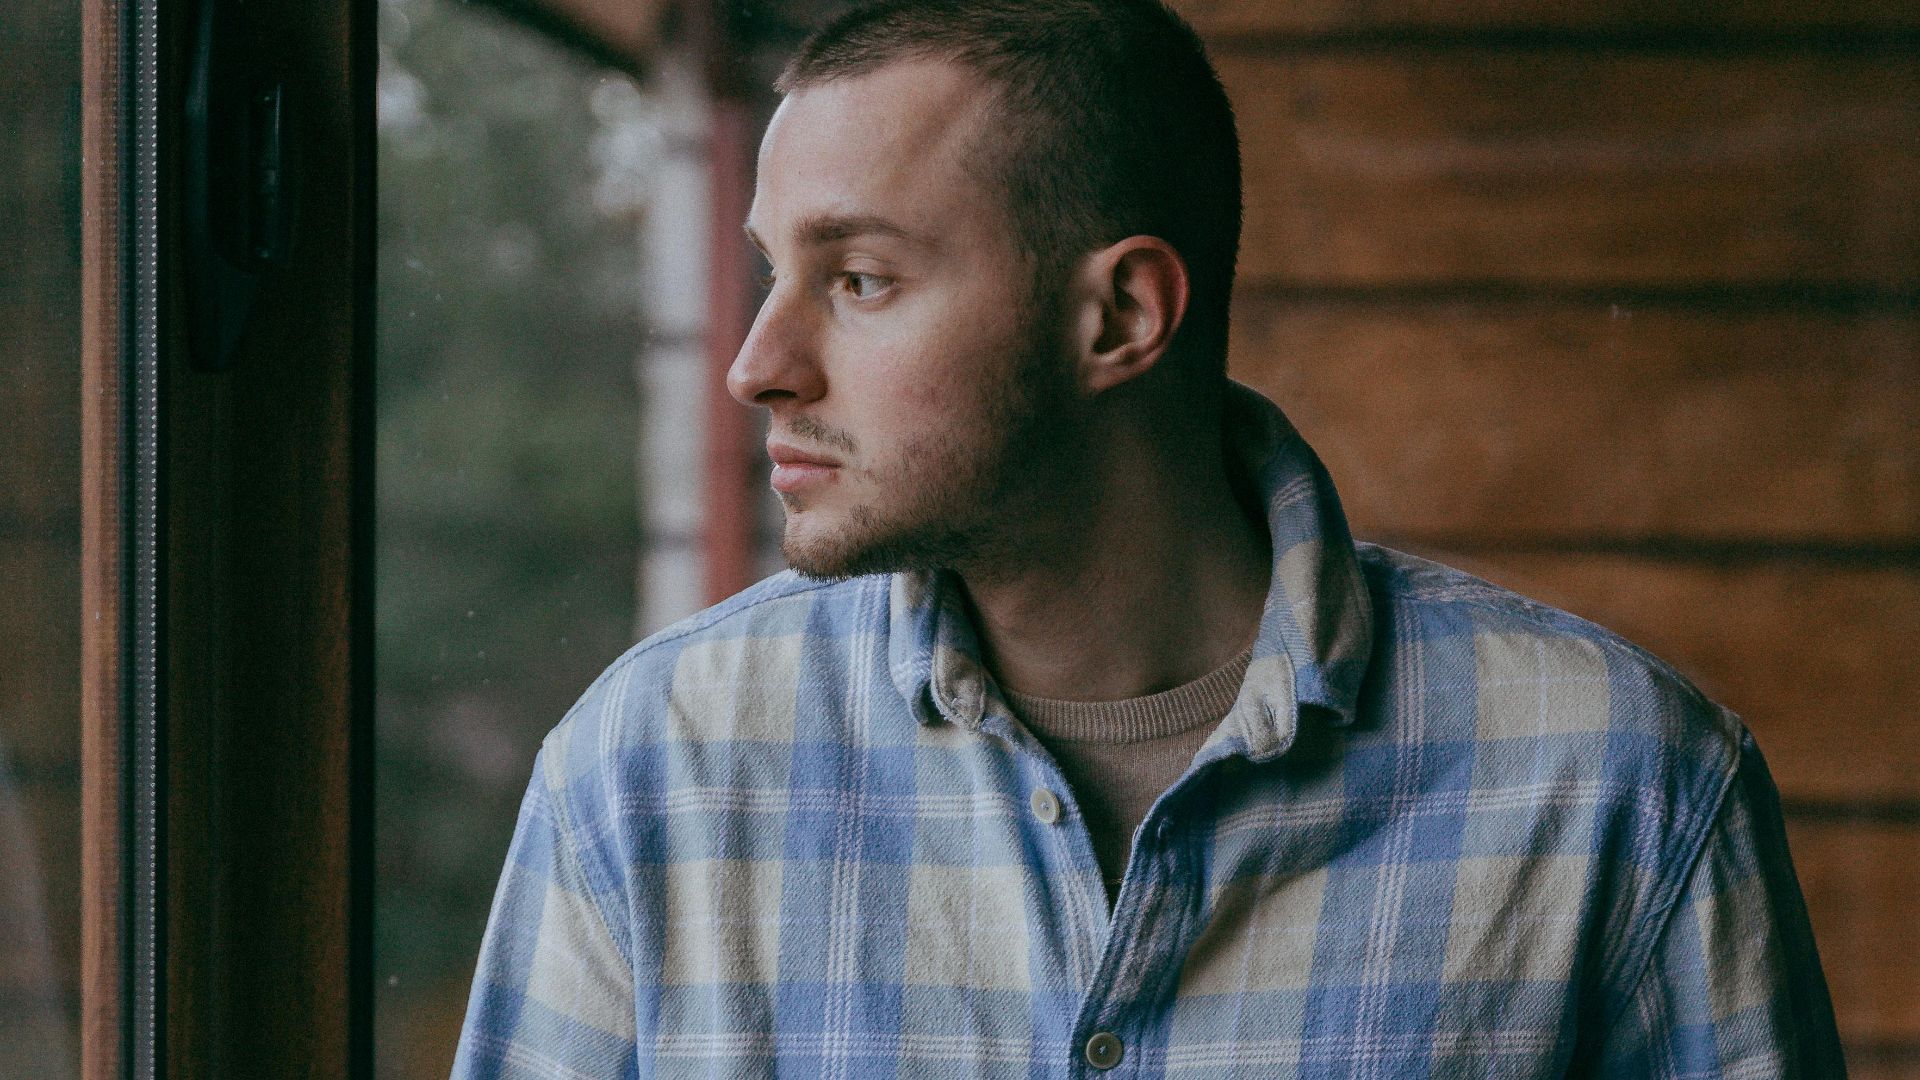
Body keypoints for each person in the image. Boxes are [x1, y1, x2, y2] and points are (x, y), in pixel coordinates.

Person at [452, 1, 1845, 1075]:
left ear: (1119, 318)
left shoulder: (1624, 790)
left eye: (860, 279)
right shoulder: (648, 775)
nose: (760, 362)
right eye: (772, 273)